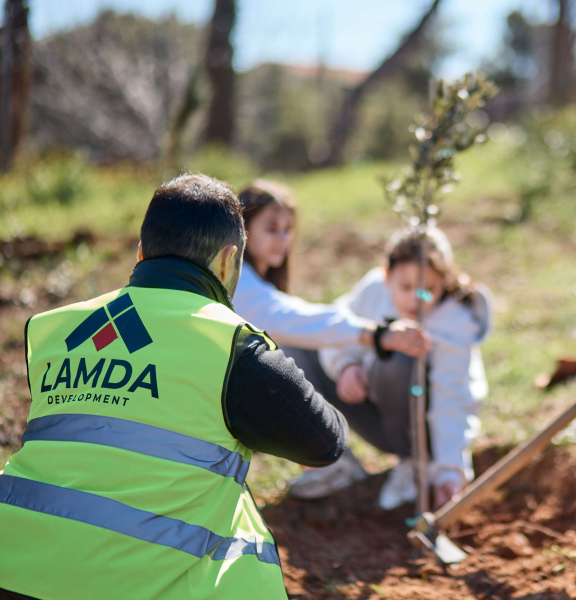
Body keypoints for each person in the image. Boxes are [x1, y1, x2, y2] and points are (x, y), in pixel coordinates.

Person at [0, 174, 348, 600]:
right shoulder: (230, 344)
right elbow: (323, 443)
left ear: (142, 250)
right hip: (132, 586)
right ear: (228, 261)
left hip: (14, 568)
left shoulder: (55, 327)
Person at [230, 180, 431, 497]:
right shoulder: (238, 283)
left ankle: (335, 464)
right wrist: (375, 334)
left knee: (290, 347)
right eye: (271, 228)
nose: (282, 239)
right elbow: (290, 319)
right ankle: (329, 462)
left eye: (288, 229)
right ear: (243, 231)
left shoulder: (255, 281)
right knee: (281, 349)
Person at [290, 227, 491, 510]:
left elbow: (453, 399)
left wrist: (450, 471)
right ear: (387, 276)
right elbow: (333, 330)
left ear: (444, 282)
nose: (416, 300)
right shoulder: (374, 290)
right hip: (375, 413)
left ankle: (414, 463)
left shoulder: (454, 325)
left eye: (428, 290)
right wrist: (346, 365)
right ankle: (336, 463)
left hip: (422, 429)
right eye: (406, 288)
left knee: (398, 358)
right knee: (296, 347)